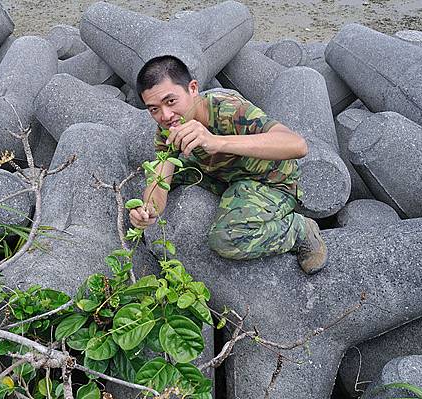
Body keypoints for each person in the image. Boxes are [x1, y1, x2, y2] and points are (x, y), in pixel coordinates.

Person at [128, 55, 327, 274]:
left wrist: (216, 142)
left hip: (268, 181)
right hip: (222, 176)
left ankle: (300, 230)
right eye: (154, 109)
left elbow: (297, 145)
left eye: (171, 101)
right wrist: (148, 212)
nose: (165, 115)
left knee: (227, 239)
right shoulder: (169, 130)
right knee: (155, 174)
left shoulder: (228, 109)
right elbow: (160, 180)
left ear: (192, 89)